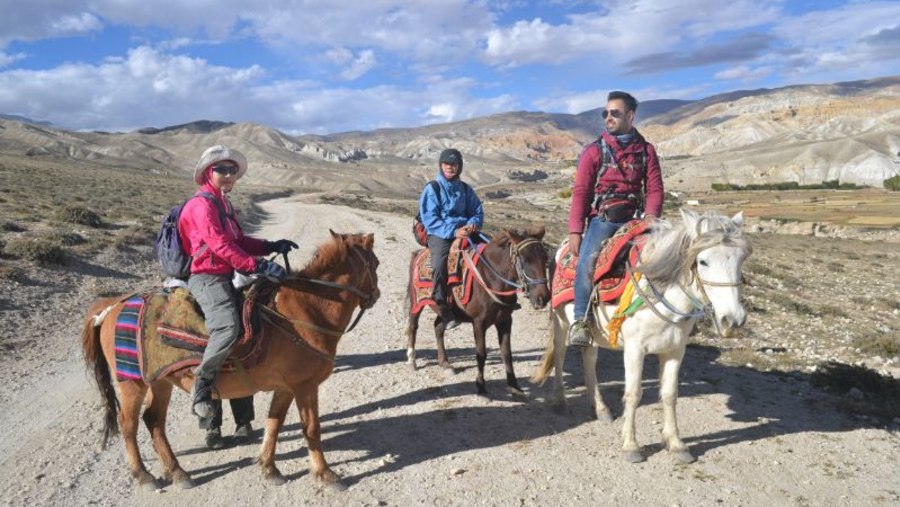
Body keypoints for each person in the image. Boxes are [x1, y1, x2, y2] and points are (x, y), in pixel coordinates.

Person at [179, 145, 298, 420]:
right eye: (222, 169)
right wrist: (256, 264)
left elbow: (239, 241)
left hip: (225, 274)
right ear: (209, 172)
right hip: (206, 276)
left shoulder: (223, 203)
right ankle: (203, 384)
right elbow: (219, 245)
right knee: (227, 326)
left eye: (233, 170)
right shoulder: (201, 205)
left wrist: (270, 245)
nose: (229, 175)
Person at [567, 91, 664, 347]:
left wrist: (652, 217)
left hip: (635, 220)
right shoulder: (593, 151)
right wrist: (576, 230)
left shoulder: (646, 151)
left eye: (615, 113)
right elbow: (581, 192)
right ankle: (580, 320)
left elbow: (654, 188)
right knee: (587, 262)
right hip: (603, 220)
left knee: (668, 255)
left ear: (630, 116)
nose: (608, 118)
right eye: (605, 113)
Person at [418, 148, 484, 330]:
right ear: (441, 165)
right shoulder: (433, 188)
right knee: (439, 263)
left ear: (459, 167)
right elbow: (430, 219)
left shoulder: (465, 189)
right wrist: (453, 232)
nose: (450, 167)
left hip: (465, 230)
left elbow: (477, 211)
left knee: (492, 252)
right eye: (446, 164)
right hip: (440, 233)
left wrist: (472, 224)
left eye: (454, 164)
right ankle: (441, 302)